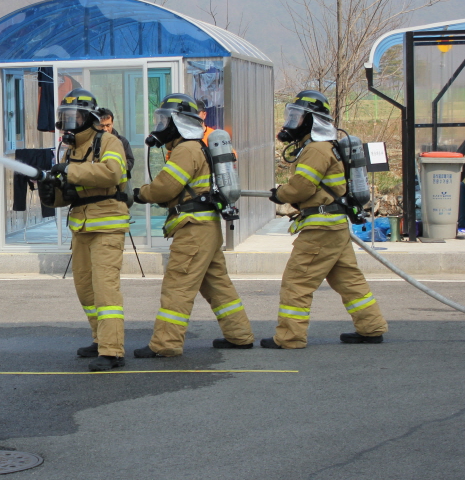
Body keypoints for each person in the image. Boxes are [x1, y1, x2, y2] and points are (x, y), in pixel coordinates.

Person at [131, 93, 255, 357]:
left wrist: (139, 194)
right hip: (206, 228)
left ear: (179, 122)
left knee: (177, 287)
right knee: (217, 285)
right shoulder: (196, 146)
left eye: (165, 120)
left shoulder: (186, 150)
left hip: (193, 230)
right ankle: (240, 335)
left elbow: (165, 188)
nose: (160, 126)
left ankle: (165, 344)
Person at [264, 90, 388, 349]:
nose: (292, 122)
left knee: (297, 281)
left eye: (298, 117)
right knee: (349, 280)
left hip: (321, 228)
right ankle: (371, 327)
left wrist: (280, 194)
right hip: (334, 227)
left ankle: (290, 337)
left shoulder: (317, 150)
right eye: (291, 116)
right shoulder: (321, 147)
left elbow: (302, 188)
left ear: (311, 120)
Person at [40, 89, 130, 371]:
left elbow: (112, 173)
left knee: (105, 290)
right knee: (85, 289)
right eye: (65, 117)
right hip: (81, 225)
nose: (69, 122)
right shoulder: (71, 149)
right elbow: (70, 194)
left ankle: (112, 351)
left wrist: (68, 171)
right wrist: (50, 191)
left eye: (75, 116)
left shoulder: (109, 142)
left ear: (89, 117)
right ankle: (100, 338)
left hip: (107, 224)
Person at [96, 108, 135, 176]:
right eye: (102, 126)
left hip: (118, 180)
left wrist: (116, 170)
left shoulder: (122, 141)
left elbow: (130, 161)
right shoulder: (92, 142)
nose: (105, 129)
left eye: (108, 125)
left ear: (112, 124)